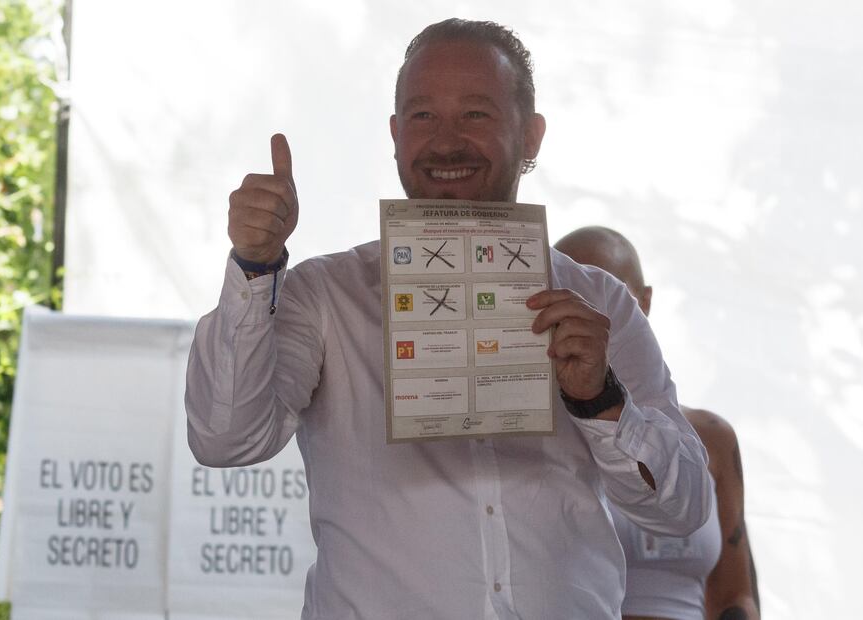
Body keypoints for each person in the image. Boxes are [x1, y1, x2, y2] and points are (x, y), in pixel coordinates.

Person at [185, 18, 711, 620]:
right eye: (423, 116)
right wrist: (255, 266)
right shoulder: (326, 294)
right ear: (395, 134)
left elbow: (681, 510)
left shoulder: (602, 304)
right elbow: (223, 438)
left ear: (531, 136)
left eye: (477, 115)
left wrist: (601, 401)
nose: (446, 142)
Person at [555, 226, 761, 620]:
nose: (587, 323)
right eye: (573, 301)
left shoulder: (712, 436)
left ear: (642, 303)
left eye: (607, 298)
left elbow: (735, 595)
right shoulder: (539, 439)